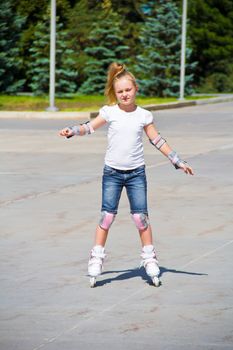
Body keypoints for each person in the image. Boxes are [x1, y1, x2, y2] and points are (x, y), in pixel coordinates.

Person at [59, 62, 194, 287]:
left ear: (136, 89)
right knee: (107, 216)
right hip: (112, 173)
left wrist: (177, 160)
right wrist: (72, 131)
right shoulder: (109, 112)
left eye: (128, 90)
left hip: (136, 174)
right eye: (120, 91)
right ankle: (96, 256)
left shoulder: (144, 115)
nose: (124, 94)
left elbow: (157, 140)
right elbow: (89, 127)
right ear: (115, 93)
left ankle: (150, 258)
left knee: (140, 218)